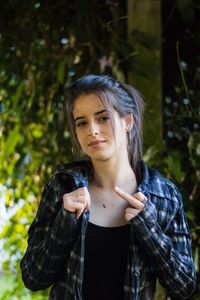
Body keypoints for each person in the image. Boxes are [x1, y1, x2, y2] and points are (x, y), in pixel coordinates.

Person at [20, 74, 196, 300]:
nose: (92, 130)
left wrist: (148, 227)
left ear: (127, 122)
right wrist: (65, 221)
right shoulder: (62, 188)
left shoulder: (164, 196)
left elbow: (184, 286)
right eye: (82, 122)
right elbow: (33, 278)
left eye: (103, 118)